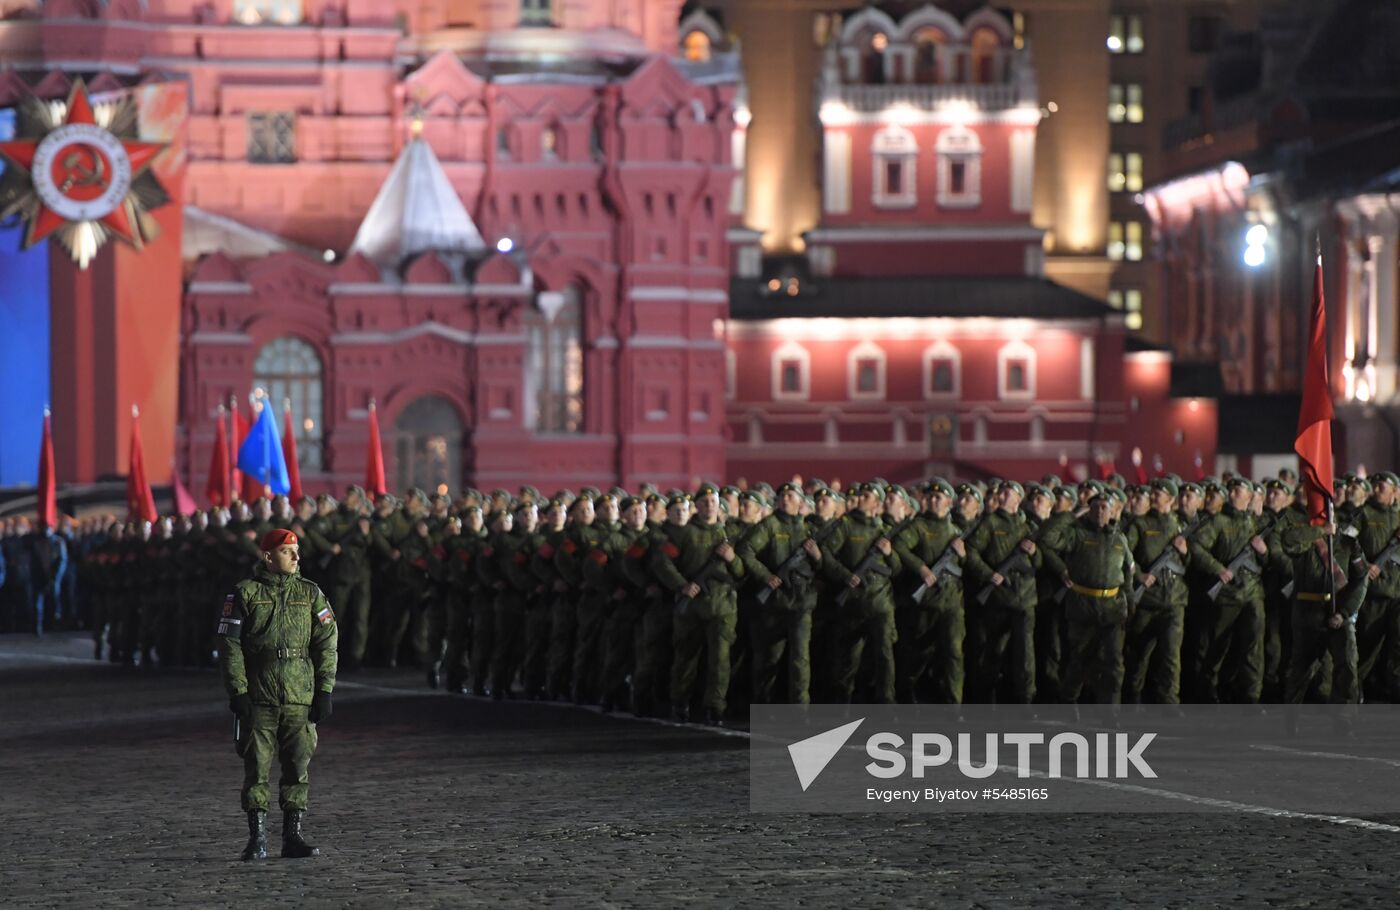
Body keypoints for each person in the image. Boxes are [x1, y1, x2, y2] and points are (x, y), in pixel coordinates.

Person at [218, 528, 337, 861]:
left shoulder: (311, 594)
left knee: (297, 768)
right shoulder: (245, 594)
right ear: (268, 556)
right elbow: (230, 646)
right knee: (257, 769)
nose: (296, 557)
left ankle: (292, 836)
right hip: (259, 694)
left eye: (297, 550)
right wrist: (238, 691)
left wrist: (325, 689)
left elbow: (327, 642)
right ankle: (257, 839)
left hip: (300, 693)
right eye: (288, 551)